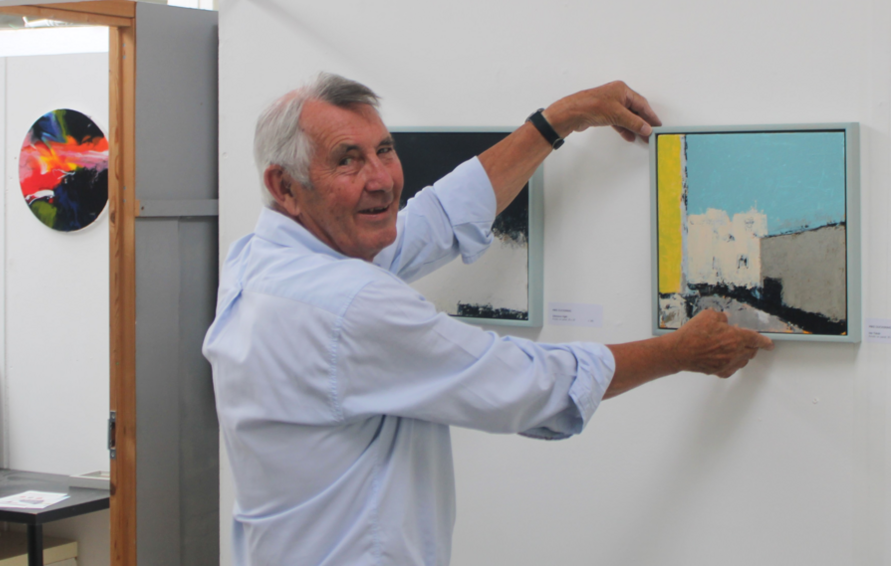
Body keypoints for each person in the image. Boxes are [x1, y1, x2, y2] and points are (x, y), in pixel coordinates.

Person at [202, 73, 774, 565]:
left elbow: (437, 218)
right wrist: (679, 352)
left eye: (385, 150)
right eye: (347, 160)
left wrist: (560, 120)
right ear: (285, 186)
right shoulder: (348, 308)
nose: (381, 178)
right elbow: (527, 385)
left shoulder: (262, 259)